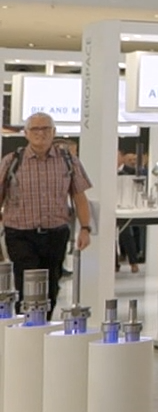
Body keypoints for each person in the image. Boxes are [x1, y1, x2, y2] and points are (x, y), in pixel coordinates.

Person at [0, 112, 93, 308]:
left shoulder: (68, 161)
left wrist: (85, 228)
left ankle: (43, 322)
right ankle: (26, 323)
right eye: (35, 129)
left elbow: (79, 197)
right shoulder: (11, 161)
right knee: (27, 285)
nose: (40, 133)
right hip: (20, 234)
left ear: (54, 132)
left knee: (51, 285)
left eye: (45, 128)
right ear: (26, 133)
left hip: (55, 234)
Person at [116, 151, 144, 272]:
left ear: (121, 158)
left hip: (125, 205)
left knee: (126, 233)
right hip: (110, 205)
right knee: (109, 235)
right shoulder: (105, 171)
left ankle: (133, 261)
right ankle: (114, 263)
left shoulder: (130, 171)